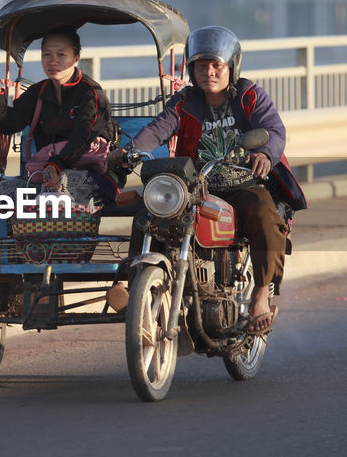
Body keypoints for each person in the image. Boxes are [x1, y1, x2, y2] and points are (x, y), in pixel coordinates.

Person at [109, 25, 306, 335]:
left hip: (243, 183)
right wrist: (129, 151)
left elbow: (274, 131)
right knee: (149, 210)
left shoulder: (250, 96)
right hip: (197, 185)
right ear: (191, 69)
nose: (209, 72)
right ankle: (136, 287)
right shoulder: (185, 102)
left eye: (217, 65)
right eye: (202, 66)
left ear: (231, 67)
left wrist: (265, 154)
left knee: (265, 214)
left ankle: (260, 294)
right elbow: (157, 129)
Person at [0, 26, 126, 199]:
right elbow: (7, 124)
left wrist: (56, 164)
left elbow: (83, 137)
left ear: (76, 58)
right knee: (2, 193)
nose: (53, 61)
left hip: (97, 174)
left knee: (55, 192)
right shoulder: (37, 93)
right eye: (46, 55)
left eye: (61, 55)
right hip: (47, 174)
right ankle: (20, 227)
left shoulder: (91, 93)